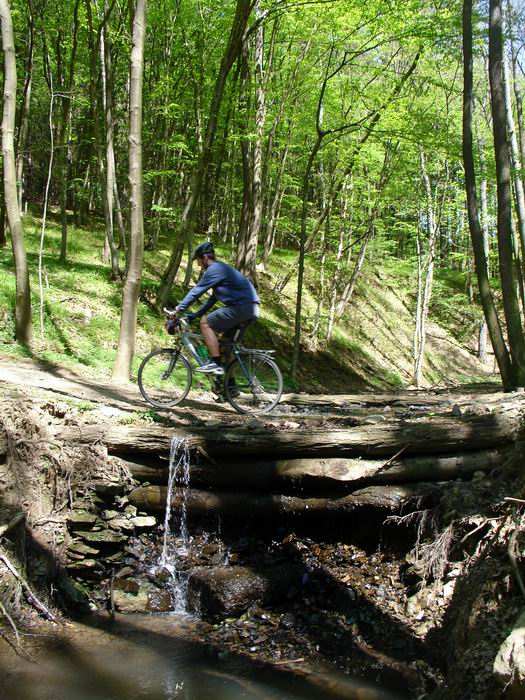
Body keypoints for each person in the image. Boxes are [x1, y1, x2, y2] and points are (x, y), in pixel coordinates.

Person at [174, 241, 260, 374]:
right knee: (224, 347)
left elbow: (196, 291)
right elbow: (212, 300)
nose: (198, 264)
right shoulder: (221, 270)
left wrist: (178, 309)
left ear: (205, 257)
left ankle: (216, 363)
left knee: (205, 323)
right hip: (251, 309)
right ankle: (230, 388)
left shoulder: (214, 269)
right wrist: (195, 315)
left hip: (242, 307)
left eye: (198, 260)